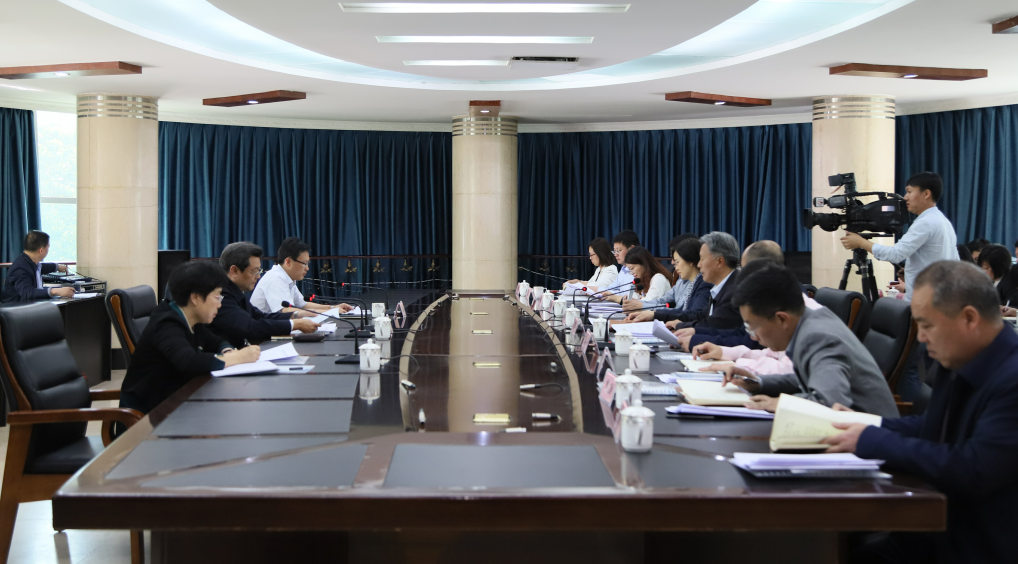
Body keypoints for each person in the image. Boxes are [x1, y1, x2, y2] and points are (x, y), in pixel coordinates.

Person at [824, 261, 1018, 564]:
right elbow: (934, 426)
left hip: (978, 544)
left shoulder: (1012, 379)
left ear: (969, 318)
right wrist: (862, 423)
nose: (922, 338)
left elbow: (973, 469)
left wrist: (870, 440)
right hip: (933, 526)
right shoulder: (963, 355)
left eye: (927, 326)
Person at [714, 262, 897, 416]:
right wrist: (758, 383)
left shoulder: (817, 336)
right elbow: (806, 378)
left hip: (872, 440)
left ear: (782, 319)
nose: (753, 336)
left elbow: (830, 403)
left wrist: (780, 403)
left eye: (752, 327)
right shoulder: (807, 321)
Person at [119, 261, 261, 415]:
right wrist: (238, 357)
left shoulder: (191, 318)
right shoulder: (166, 323)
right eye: (217, 297)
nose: (219, 304)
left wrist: (227, 350)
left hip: (176, 403)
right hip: (148, 415)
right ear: (195, 298)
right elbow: (189, 361)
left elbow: (217, 341)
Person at [841, 172, 959, 301]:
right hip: (941, 298)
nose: (905, 197)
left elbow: (895, 254)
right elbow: (954, 263)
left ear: (926, 194)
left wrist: (861, 242)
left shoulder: (925, 222)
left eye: (909, 191)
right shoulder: (943, 221)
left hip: (925, 302)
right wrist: (910, 271)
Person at [211, 242, 321, 349]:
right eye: (254, 271)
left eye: (259, 271)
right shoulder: (220, 295)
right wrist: (294, 324)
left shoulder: (235, 291)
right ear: (234, 271)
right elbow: (249, 327)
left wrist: (297, 315)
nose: (258, 276)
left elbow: (259, 316)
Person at [250, 237, 352, 315]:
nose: (307, 268)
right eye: (304, 264)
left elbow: (303, 304)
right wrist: (329, 312)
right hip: (263, 334)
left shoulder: (287, 278)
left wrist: (332, 308)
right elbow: (286, 311)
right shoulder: (276, 278)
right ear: (288, 262)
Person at [623, 237, 711, 321]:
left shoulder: (703, 284)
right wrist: (640, 305)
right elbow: (663, 300)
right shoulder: (681, 281)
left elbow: (684, 313)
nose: (673, 264)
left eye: (677, 261)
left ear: (690, 261)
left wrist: (651, 312)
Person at [1, 231, 73, 303]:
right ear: (41, 250)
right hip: (17, 308)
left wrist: (57, 267)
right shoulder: (19, 268)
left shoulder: (28, 262)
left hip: (30, 306)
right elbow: (27, 292)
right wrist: (54, 291)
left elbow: (40, 268)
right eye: (48, 247)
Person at [603, 246, 671, 303]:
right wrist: (625, 299)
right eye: (630, 270)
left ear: (644, 264)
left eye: (632, 268)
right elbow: (632, 299)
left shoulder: (658, 278)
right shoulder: (641, 280)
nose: (631, 273)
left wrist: (619, 299)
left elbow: (648, 304)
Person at [594, 230, 640, 298]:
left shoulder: (640, 269)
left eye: (618, 251)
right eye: (614, 251)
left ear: (631, 249)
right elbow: (612, 288)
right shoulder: (624, 269)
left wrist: (607, 294)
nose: (615, 254)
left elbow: (629, 296)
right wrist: (591, 290)